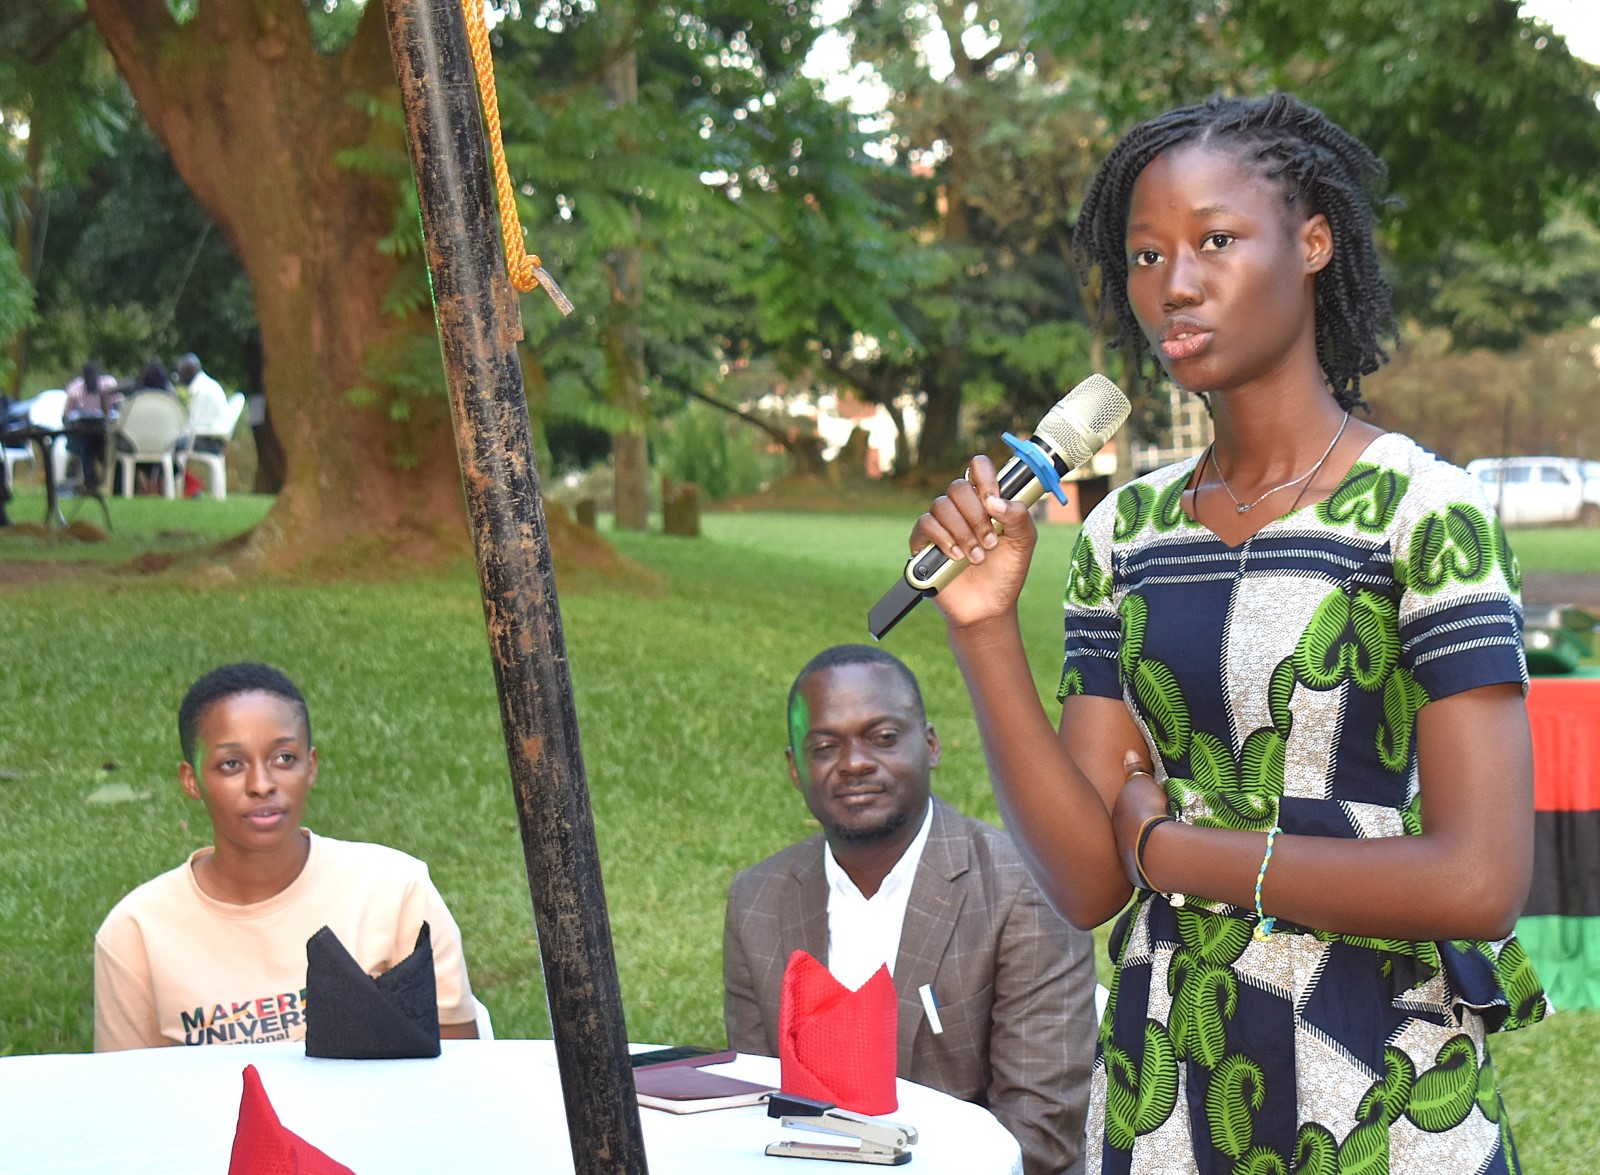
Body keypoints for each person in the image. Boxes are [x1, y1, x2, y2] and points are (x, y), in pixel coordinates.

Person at [910, 93, 1544, 1174]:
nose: (1175, 284)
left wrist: (1173, 849)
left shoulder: (1421, 512)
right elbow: (1083, 880)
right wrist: (982, 629)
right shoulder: (1126, 532)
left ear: (1311, 242)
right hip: (1174, 1066)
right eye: (1145, 254)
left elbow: (1477, 878)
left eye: (1214, 240)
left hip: (1373, 1069)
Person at [724, 644, 1099, 1175]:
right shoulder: (756, 900)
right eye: (825, 746)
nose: (853, 763)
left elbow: (1038, 1138)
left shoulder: (1027, 890)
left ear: (930, 745)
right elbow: (756, 1110)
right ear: (794, 768)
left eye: (882, 738)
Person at [94, 662, 480, 1050]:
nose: (261, 785)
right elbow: (127, 1096)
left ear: (310, 767)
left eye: (283, 759)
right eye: (231, 764)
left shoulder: (397, 891)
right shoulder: (135, 932)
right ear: (191, 780)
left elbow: (459, 1070)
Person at [63, 361, 123, 494]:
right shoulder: (76, 388)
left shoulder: (108, 385)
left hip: (104, 433)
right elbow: (67, 415)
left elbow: (118, 410)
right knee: (85, 446)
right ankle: (90, 483)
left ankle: (115, 485)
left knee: (106, 448)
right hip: (84, 433)